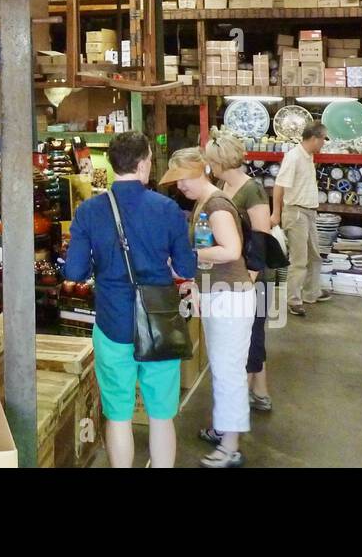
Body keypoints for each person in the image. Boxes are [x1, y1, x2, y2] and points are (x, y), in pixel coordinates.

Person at [64, 132, 195, 469]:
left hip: (112, 324)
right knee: (162, 416)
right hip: (159, 323)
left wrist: (102, 264)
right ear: (141, 165)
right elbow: (186, 267)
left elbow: (75, 271)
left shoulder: (89, 211)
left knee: (119, 416)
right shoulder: (167, 208)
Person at [161, 147, 256, 468]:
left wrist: (188, 254)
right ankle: (223, 428)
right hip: (220, 295)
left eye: (184, 178)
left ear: (200, 171)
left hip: (230, 297)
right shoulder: (205, 202)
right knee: (222, 367)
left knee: (229, 372)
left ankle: (230, 448)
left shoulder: (216, 204)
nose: (180, 187)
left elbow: (231, 250)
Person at [204, 129, 274, 414]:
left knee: (248, 339)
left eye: (210, 160)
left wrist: (250, 279)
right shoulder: (223, 187)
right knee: (252, 335)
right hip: (235, 275)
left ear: (220, 161)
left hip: (250, 278)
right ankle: (261, 392)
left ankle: (237, 407)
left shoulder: (252, 189)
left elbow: (262, 238)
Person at [271, 123, 331, 317]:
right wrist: (276, 213)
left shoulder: (308, 156)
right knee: (299, 259)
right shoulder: (294, 157)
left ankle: (311, 292)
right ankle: (293, 299)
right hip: (296, 212)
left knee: (314, 256)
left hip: (309, 212)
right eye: (323, 139)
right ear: (315, 138)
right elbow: (279, 186)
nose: (324, 143)